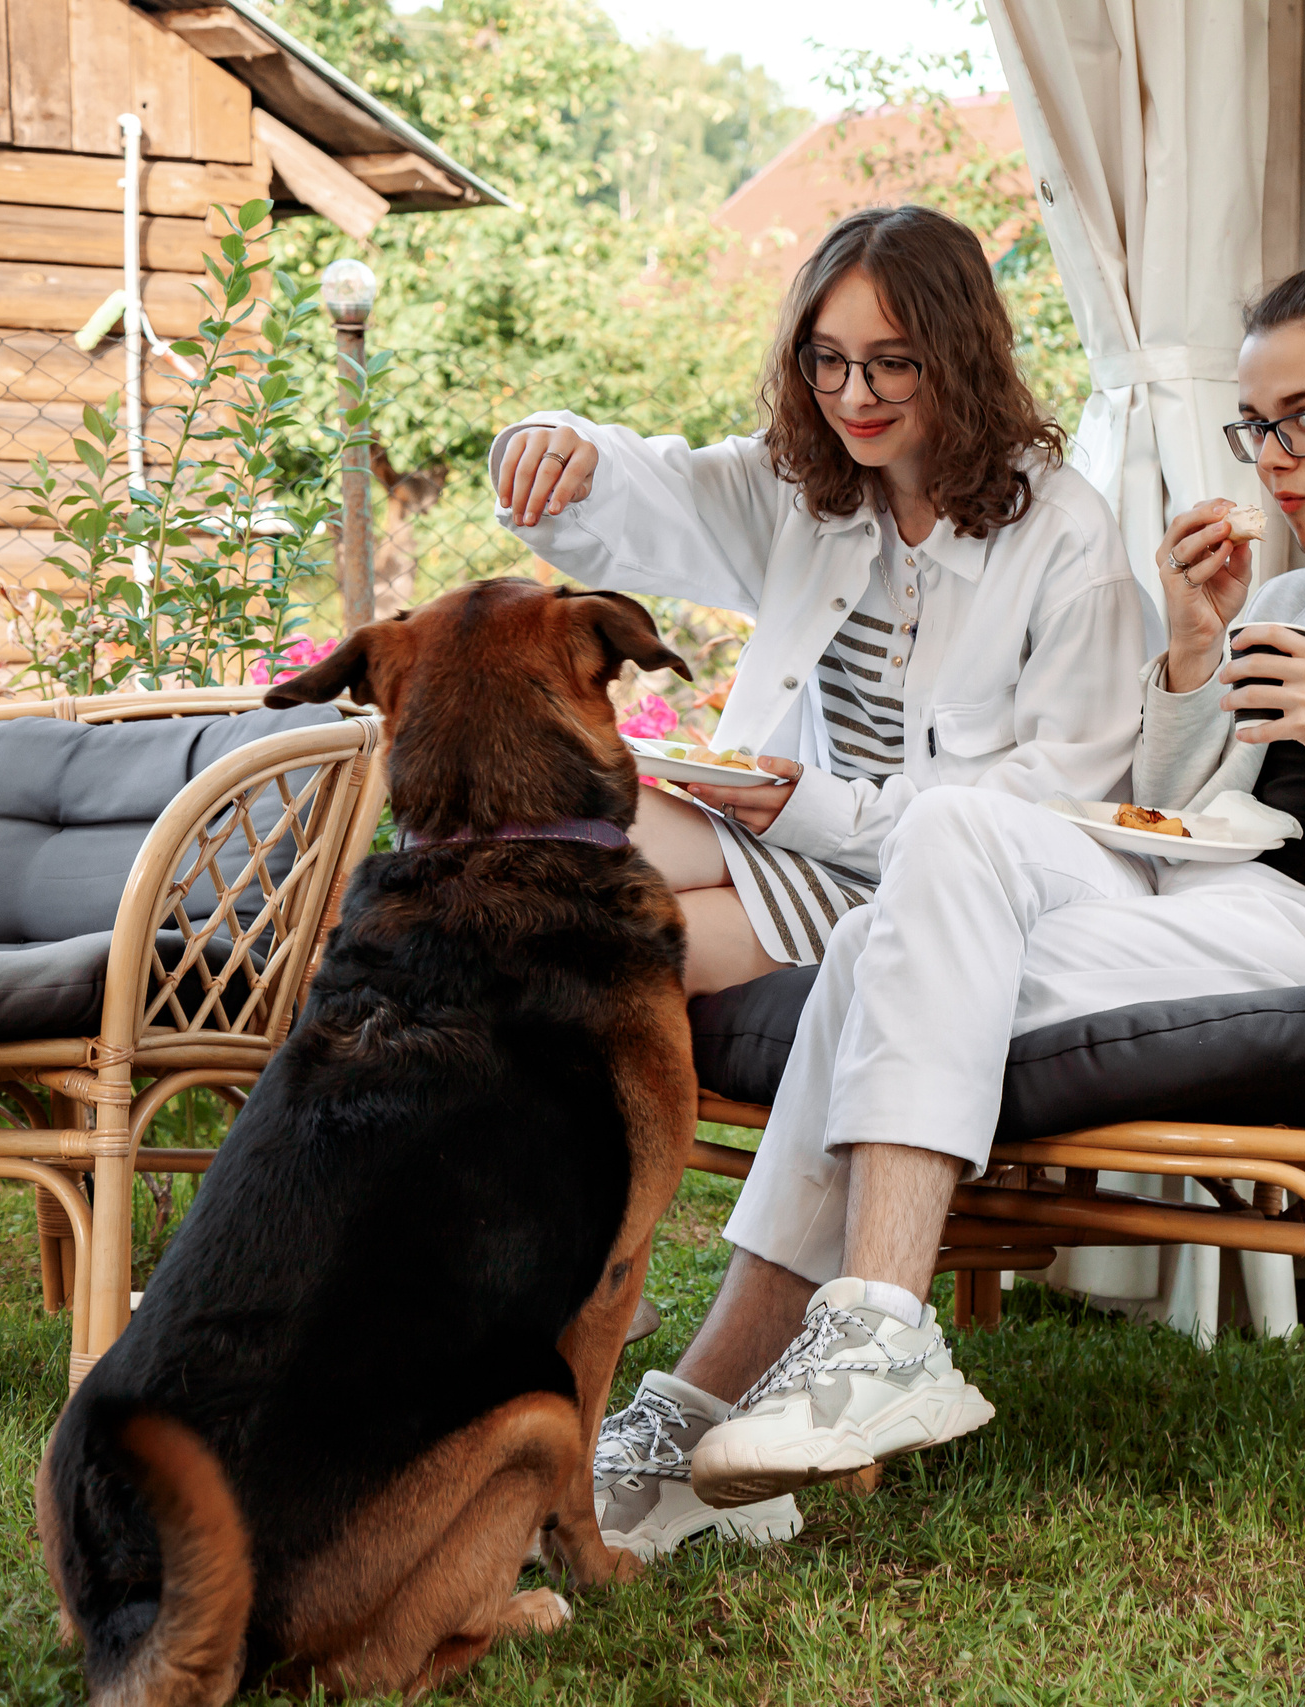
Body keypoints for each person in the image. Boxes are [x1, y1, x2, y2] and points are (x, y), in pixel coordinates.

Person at [606, 228, 1305, 1534]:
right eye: (1256, 428)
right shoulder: (1304, 597)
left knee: (878, 961)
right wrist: (1198, 650)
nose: (1276, 462)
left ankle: (715, 1404)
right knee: (953, 833)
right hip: (1188, 904)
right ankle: (872, 1343)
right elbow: (1183, 801)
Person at [486, 204, 1153, 1561]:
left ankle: (588, 1331)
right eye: (827, 361)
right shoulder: (811, 483)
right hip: (790, 838)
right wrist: (546, 444)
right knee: (539, 873)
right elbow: (640, 494)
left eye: (892, 364)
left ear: (962, 358)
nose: (854, 395)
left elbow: (1067, 798)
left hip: (916, 884)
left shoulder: (1066, 537)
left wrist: (824, 805)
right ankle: (460, 1266)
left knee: (627, 949)